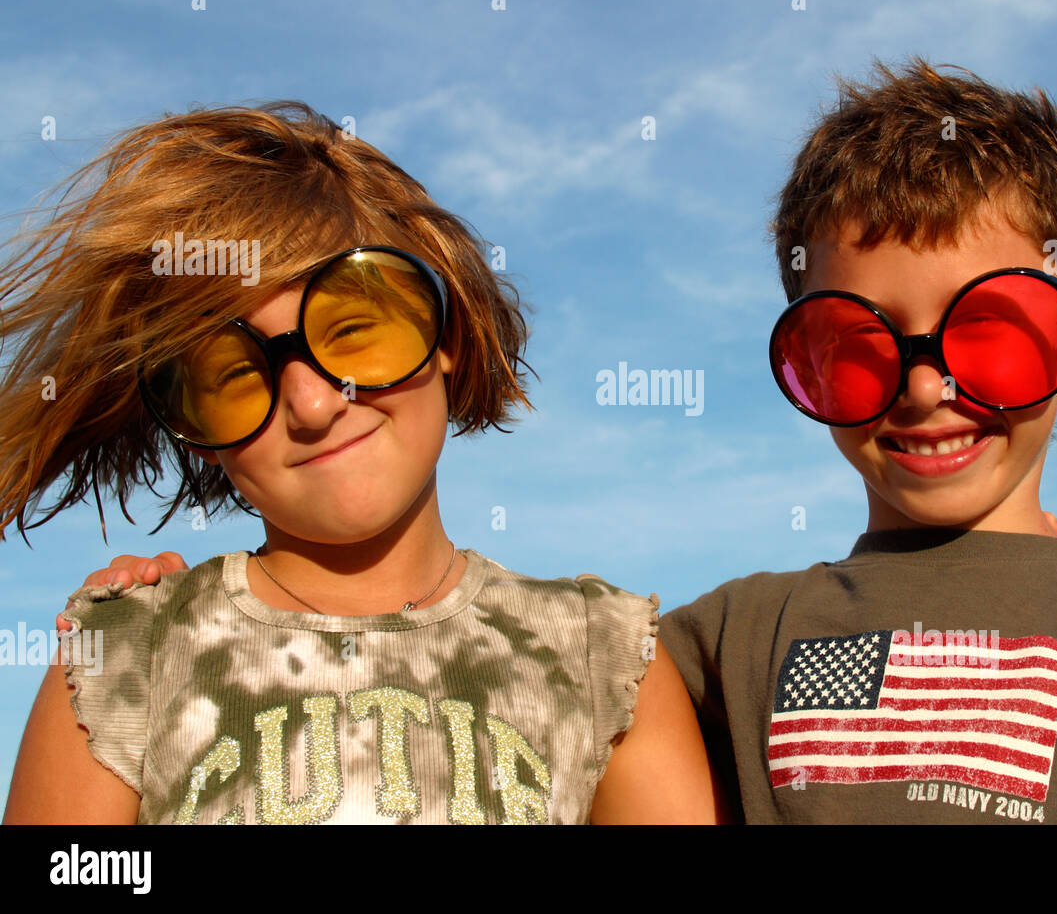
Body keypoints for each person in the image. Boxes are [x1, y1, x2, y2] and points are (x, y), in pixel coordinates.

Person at [0, 103, 718, 825]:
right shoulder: (120, 657)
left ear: (443, 328)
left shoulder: (606, 657)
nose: (312, 404)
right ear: (194, 431)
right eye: (235, 374)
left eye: (350, 330)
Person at [655, 60, 1057, 823]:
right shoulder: (710, 650)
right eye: (860, 339)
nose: (925, 391)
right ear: (805, 362)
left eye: (989, 330)